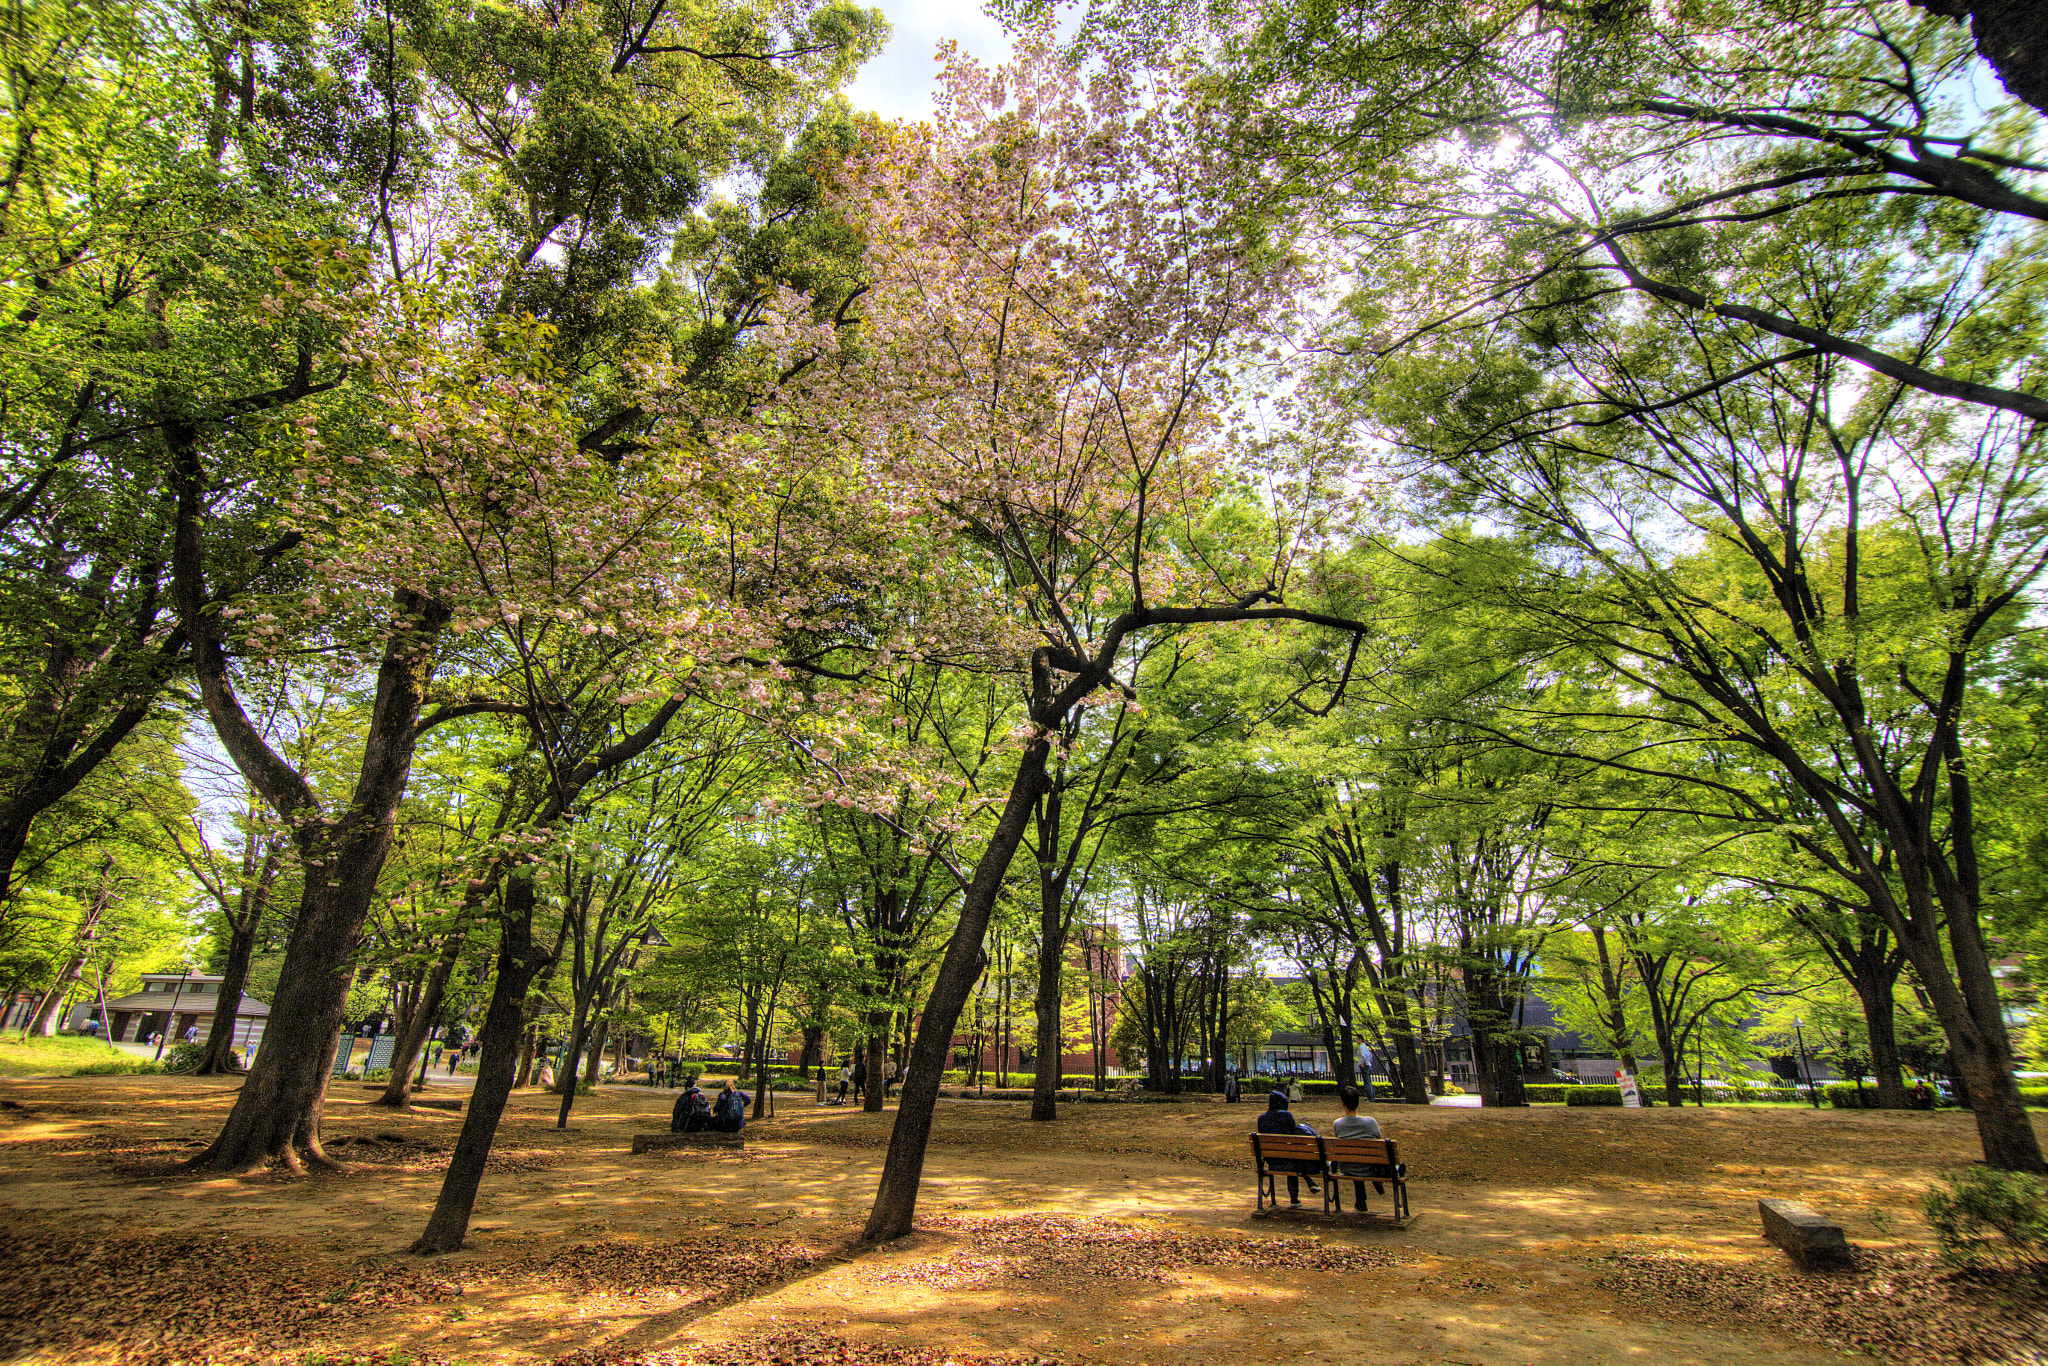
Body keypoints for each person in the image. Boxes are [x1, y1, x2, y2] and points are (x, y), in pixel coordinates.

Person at [1256, 1089, 1321, 1206]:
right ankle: (1295, 1198)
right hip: (1289, 1160)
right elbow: (1294, 1136)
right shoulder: (1286, 1116)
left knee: (1291, 1156)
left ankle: (1310, 1183)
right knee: (1293, 1157)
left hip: (1271, 1160)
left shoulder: (1261, 1119)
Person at [1331, 1083, 1390, 1211]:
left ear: (1343, 1103)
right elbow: (1378, 1141)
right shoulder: (1370, 1122)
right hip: (1370, 1166)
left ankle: (1361, 1200)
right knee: (1365, 1160)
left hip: (1347, 1167)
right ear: (1358, 1102)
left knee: (1355, 1161)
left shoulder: (1338, 1124)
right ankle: (1375, 1184)